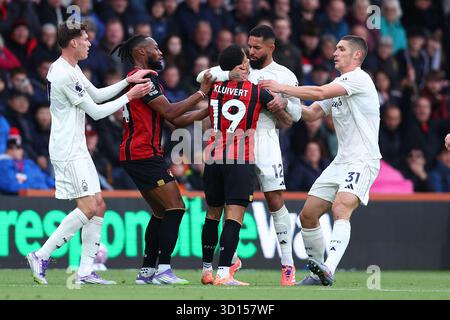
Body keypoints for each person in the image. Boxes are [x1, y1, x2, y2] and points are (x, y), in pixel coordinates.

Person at [26, 21, 153, 285]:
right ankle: (41, 255)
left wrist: (127, 82)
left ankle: (85, 271)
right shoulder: (63, 73)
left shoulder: (72, 68)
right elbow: (95, 112)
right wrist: (131, 96)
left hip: (78, 147)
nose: (89, 43)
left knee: (99, 206)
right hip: (67, 149)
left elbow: (95, 94)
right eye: (85, 39)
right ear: (73, 42)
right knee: (87, 207)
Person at [261, 35, 381, 286]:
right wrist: (283, 105)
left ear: (356, 55)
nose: (335, 53)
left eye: (341, 49)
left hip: (364, 160)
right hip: (341, 161)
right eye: (335, 48)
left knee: (341, 207)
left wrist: (281, 87)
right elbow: (312, 113)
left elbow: (319, 91)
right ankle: (317, 275)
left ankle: (329, 268)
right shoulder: (339, 84)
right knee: (308, 215)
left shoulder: (359, 79)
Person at [197, 25, 301, 286]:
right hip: (236, 144)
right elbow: (203, 74)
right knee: (231, 205)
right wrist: (227, 71)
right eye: (249, 46)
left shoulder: (284, 75)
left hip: (264, 141)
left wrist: (284, 102)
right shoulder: (240, 69)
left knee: (275, 200)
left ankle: (287, 265)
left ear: (271, 48)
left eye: (256, 47)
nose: (251, 52)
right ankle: (228, 263)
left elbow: (296, 115)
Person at [113, 34, 214, 285]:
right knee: (176, 207)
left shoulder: (143, 80)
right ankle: (164, 270)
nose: (160, 52)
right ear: (140, 52)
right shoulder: (144, 79)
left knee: (160, 212)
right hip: (142, 153)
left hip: (138, 154)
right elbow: (170, 111)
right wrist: (201, 94)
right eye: (155, 48)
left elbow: (175, 120)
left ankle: (147, 271)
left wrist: (207, 111)